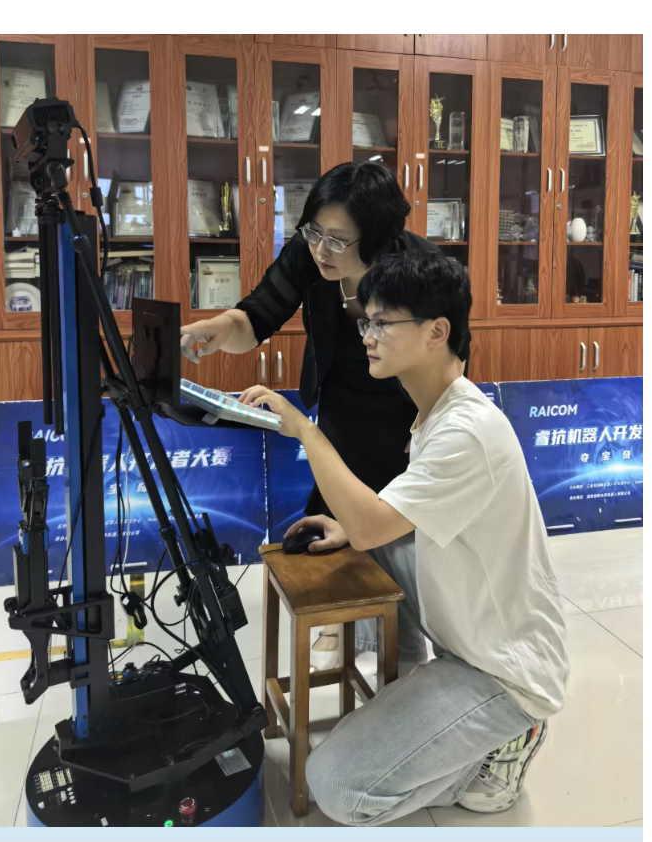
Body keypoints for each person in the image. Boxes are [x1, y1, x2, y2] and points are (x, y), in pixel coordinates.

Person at [238, 252, 569, 825]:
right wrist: (350, 529)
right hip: (465, 643)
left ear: (437, 332)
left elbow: (374, 522)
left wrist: (305, 431)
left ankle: (502, 751)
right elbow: (382, 523)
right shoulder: (434, 415)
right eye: (365, 322)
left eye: (382, 323)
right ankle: (418, 695)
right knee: (368, 541)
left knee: (338, 788)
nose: (367, 337)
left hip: (505, 673)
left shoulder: (466, 430)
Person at [180, 162, 470, 670]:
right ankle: (346, 620)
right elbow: (256, 316)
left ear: (377, 238)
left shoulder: (417, 269)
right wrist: (220, 328)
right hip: (340, 399)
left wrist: (428, 424)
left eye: (338, 240)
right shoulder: (308, 255)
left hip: (405, 412)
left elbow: (454, 354)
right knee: (337, 519)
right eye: (314, 232)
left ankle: (400, 647)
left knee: (397, 540)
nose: (321, 250)